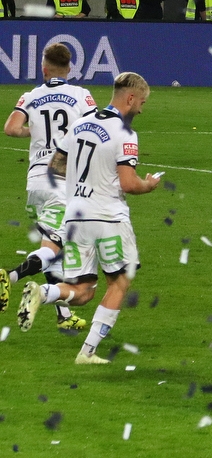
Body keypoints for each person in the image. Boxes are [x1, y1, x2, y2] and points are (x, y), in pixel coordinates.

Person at [16, 72, 160, 364]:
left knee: (83, 291)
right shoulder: (125, 133)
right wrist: (149, 185)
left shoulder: (80, 124)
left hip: (75, 217)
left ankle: (43, 292)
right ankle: (88, 352)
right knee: (119, 283)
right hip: (108, 217)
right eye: (141, 103)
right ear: (130, 98)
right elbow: (130, 184)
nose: (141, 109)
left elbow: (56, 166)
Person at [0, 43, 95, 330]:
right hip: (63, 182)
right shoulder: (81, 95)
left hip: (35, 184)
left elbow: (11, 128)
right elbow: (93, 131)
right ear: (70, 69)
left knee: (54, 246)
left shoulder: (31, 96)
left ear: (44, 69)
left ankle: (64, 317)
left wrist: (35, 132)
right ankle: (11, 276)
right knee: (55, 248)